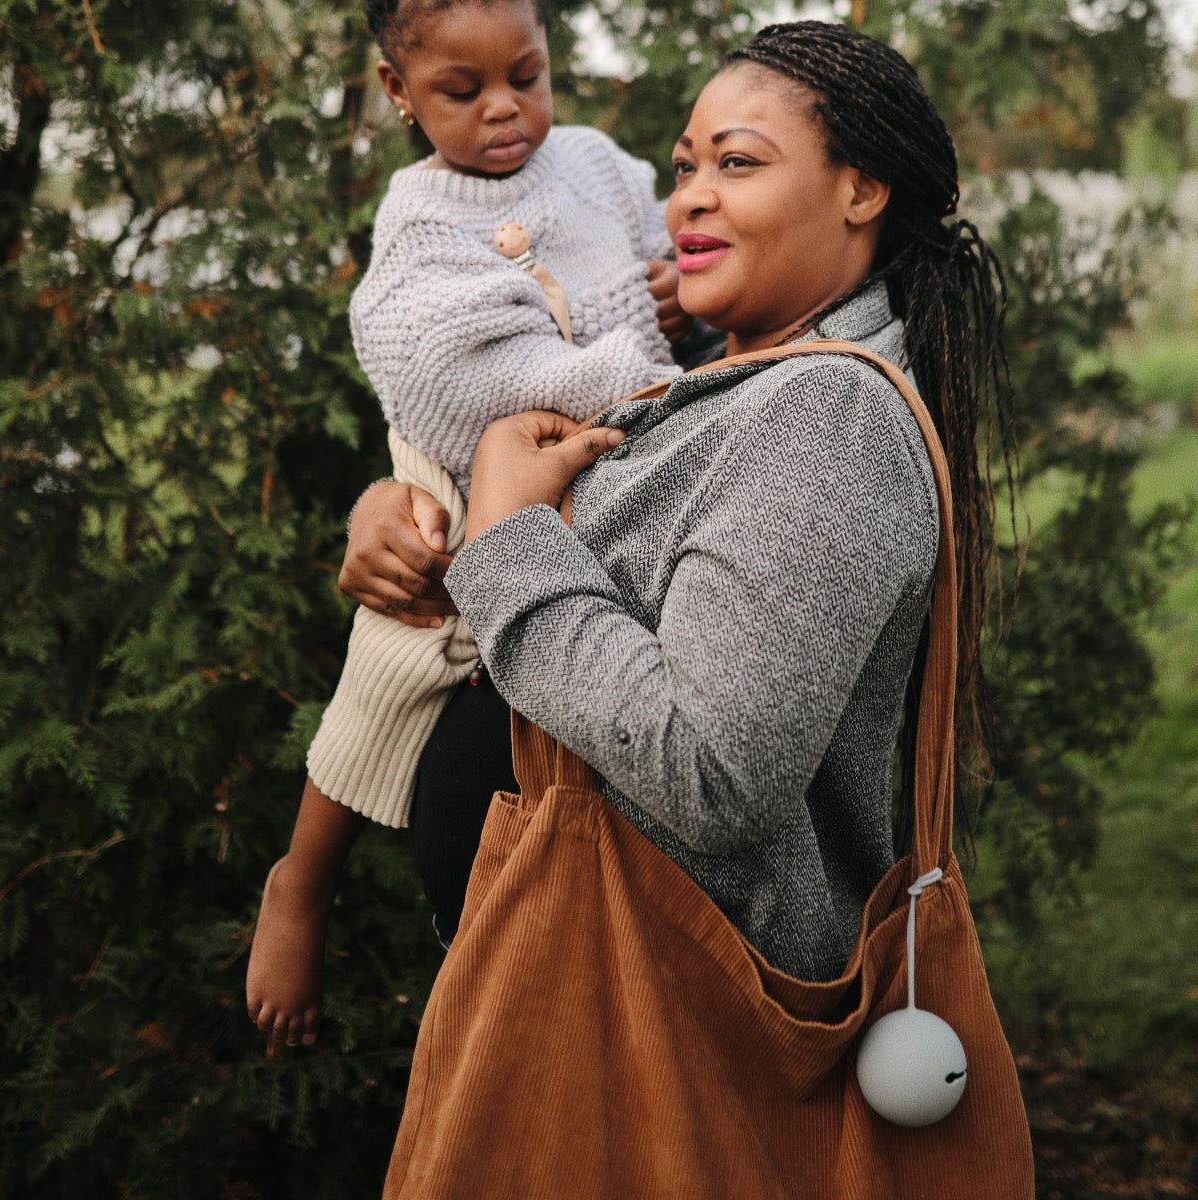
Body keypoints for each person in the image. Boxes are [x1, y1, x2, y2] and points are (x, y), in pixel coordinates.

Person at [345, 17, 1016, 986]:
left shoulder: (827, 413)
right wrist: (402, 504)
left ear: (860, 188)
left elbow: (714, 775)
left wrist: (508, 537)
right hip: (570, 975)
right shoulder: (731, 378)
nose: (687, 201)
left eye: (737, 165)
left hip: (652, 1005)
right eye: (685, 166)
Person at [246, 0, 701, 1048]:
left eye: (527, 77)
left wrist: (677, 292)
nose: (505, 109)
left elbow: (666, 242)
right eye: (462, 90)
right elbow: (441, 368)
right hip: (461, 457)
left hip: (589, 451)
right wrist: (636, 374)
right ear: (399, 92)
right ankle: (302, 882)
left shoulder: (590, 162)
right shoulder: (417, 215)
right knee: (402, 654)